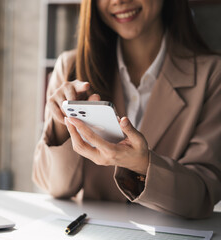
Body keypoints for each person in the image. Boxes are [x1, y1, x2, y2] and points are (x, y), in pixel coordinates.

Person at [32, 0, 221, 219]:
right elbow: (54, 188)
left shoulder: (213, 76)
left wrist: (141, 164)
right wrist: (62, 124)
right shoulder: (70, 67)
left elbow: (202, 195)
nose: (119, 1)